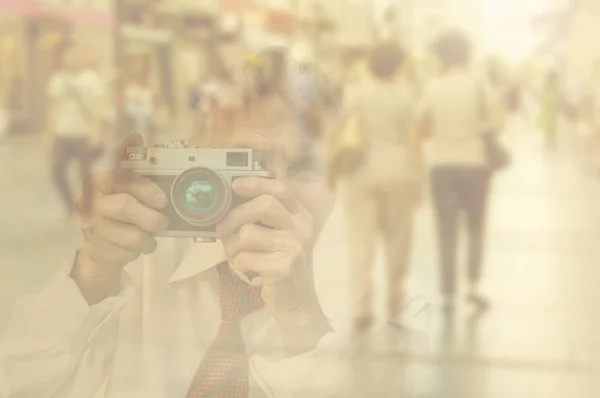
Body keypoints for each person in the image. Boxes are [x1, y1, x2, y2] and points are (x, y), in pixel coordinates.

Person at [0, 50, 412, 398]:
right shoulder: (144, 256)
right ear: (197, 159)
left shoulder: (383, 299)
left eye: (304, 167)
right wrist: (90, 275)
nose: (276, 192)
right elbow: (19, 383)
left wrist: (302, 322)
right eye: (246, 162)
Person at [413, 30, 503, 312]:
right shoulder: (480, 85)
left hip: (442, 166)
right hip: (475, 165)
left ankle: (448, 294)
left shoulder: (434, 86)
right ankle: (473, 288)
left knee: (446, 230)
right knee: (475, 227)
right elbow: (499, 122)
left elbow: (417, 125)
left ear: (441, 56)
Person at [334, 43, 422, 331]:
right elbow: (413, 139)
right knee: (398, 239)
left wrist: (330, 168)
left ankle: (362, 306)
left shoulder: (357, 91)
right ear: (397, 65)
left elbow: (341, 132)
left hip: (361, 173)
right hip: (399, 171)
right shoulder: (405, 93)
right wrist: (419, 177)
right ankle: (395, 293)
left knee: (361, 241)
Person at [46, 40, 104, 218]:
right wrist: (49, 134)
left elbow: (98, 107)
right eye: (68, 56)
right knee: (56, 171)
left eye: (74, 55)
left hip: (83, 134)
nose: (71, 59)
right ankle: (70, 205)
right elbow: (53, 108)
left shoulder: (91, 79)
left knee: (84, 173)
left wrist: (96, 131)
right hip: (62, 133)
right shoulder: (57, 80)